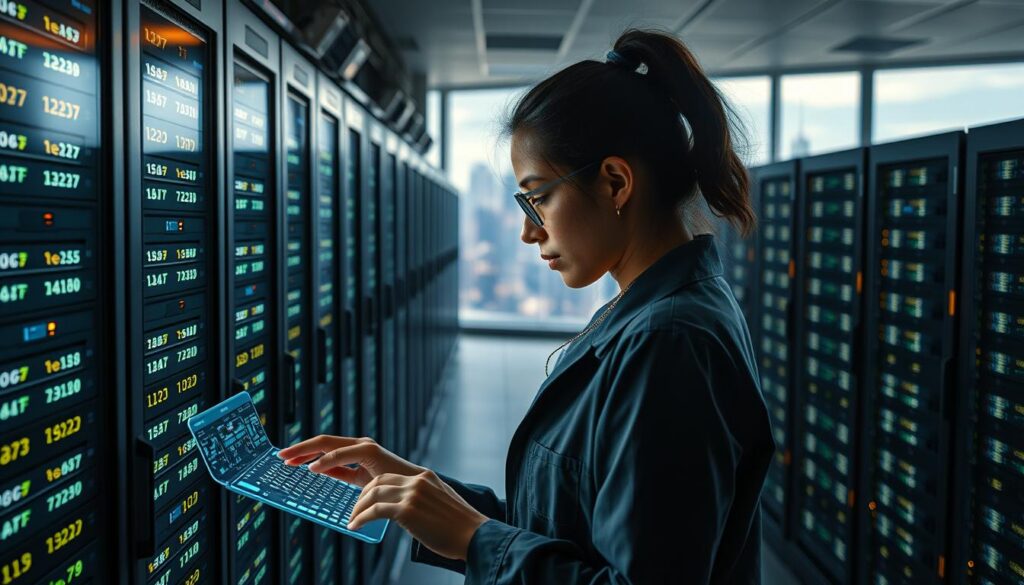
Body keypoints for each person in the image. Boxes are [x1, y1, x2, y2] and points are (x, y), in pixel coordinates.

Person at [278, 28, 774, 585]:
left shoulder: (670, 340)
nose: (527, 231)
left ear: (615, 183)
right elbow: (573, 530)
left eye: (537, 197)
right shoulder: (652, 315)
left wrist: (472, 538)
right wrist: (419, 490)